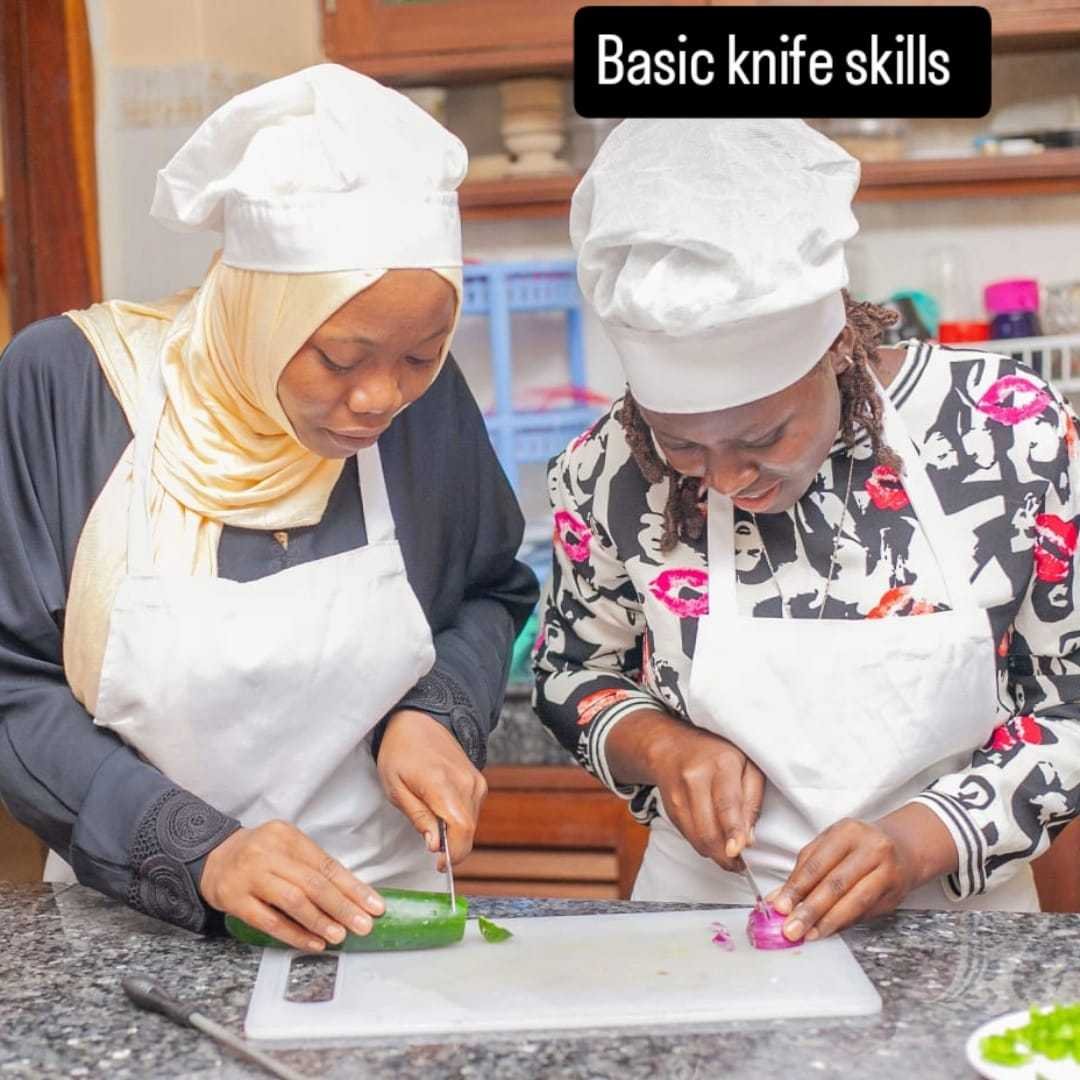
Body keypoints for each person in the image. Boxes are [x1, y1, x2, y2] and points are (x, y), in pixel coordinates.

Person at [0, 65, 536, 950]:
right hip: (137, 927)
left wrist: (438, 712)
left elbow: (490, 591)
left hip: (383, 919)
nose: (381, 398)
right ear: (260, 312)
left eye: (421, 355)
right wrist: (197, 851)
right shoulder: (70, 385)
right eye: (340, 358)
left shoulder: (423, 407)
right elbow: (13, 683)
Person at [535, 118, 1080, 942]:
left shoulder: (1008, 432)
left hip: (959, 933)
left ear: (834, 351)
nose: (725, 480)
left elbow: (1068, 703)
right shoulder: (608, 468)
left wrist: (920, 840)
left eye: (763, 438)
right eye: (682, 445)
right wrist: (661, 747)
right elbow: (574, 670)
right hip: (699, 927)